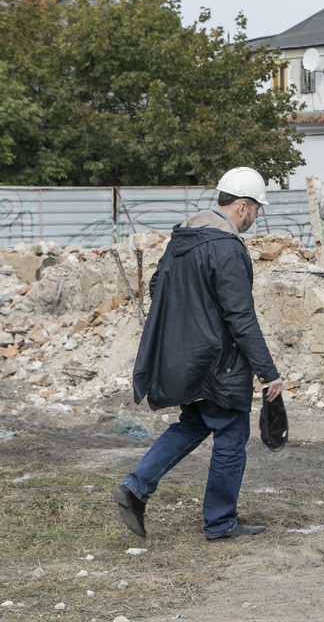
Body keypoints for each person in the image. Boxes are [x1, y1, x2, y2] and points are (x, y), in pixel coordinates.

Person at [112, 167, 285, 541]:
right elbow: (240, 318)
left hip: (186, 358)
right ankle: (221, 523)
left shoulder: (183, 239)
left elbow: (159, 287)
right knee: (230, 434)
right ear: (241, 206)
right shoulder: (227, 248)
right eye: (256, 208)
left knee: (193, 423)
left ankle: (135, 487)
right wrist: (268, 372)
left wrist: (190, 327)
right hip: (219, 362)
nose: (256, 216)